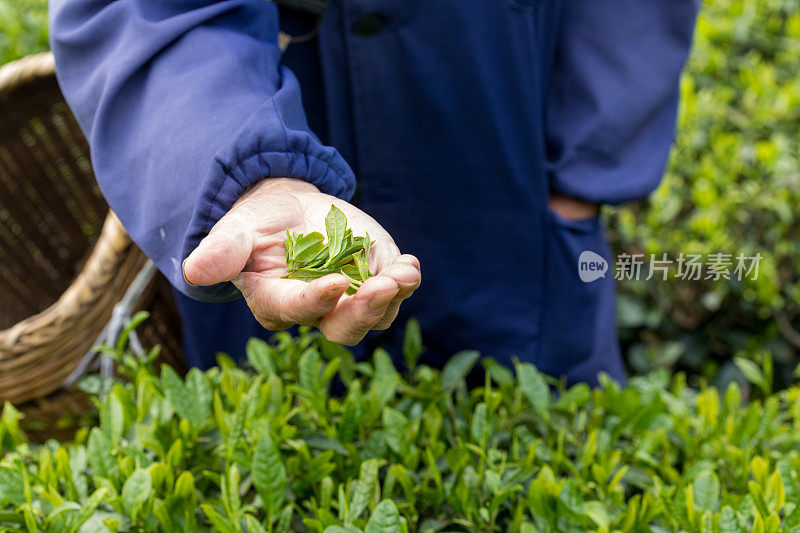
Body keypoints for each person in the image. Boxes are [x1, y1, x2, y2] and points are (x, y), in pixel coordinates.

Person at [49, 0, 697, 384]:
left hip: (509, 120)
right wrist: (246, 171)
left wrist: (579, 177)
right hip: (273, 95)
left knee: (539, 440)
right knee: (291, 452)